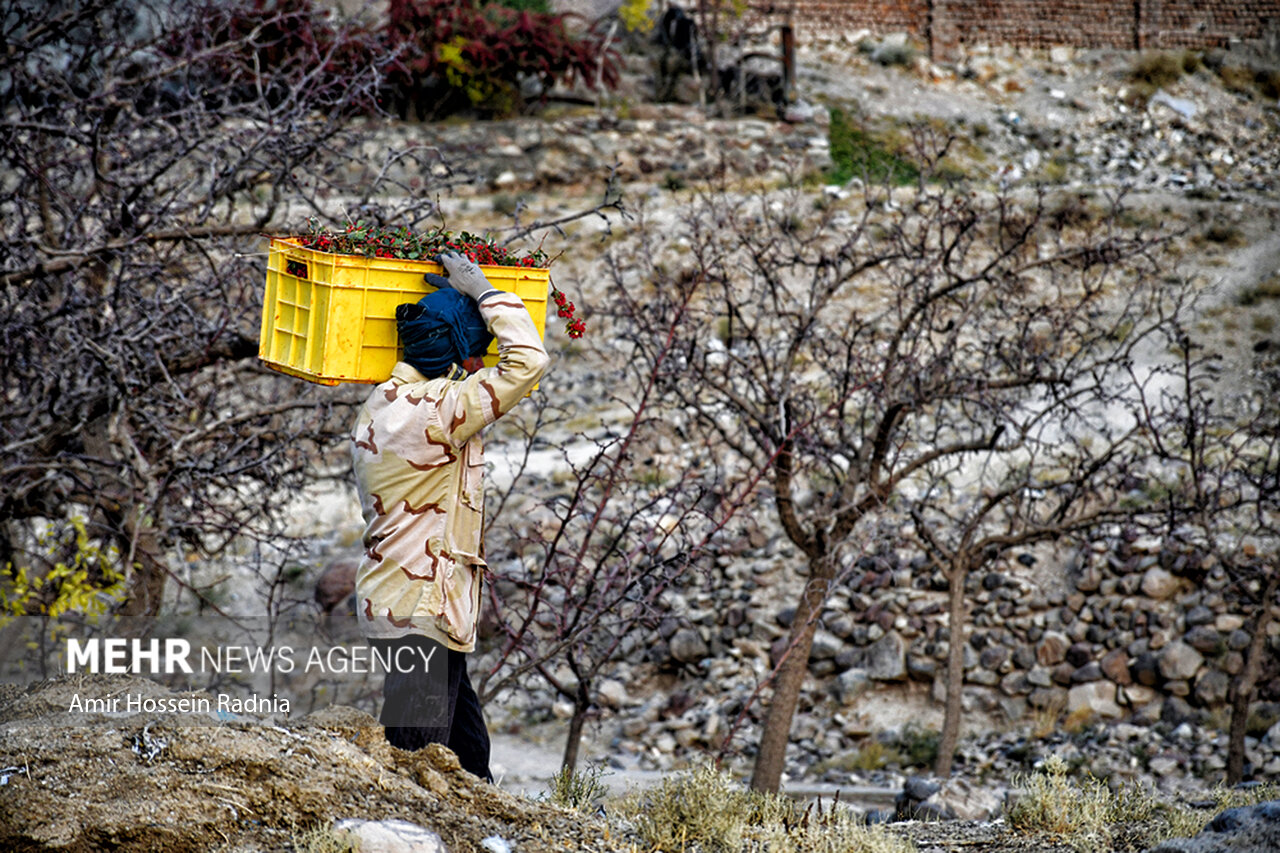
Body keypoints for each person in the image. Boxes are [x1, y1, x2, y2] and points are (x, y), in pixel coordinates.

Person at [350, 251, 549, 780]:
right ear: (456, 357)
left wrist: (451, 315)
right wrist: (485, 294)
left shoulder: (383, 403)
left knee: (469, 758)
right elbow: (528, 362)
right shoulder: (438, 411)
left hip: (405, 605)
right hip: (422, 609)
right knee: (420, 767)